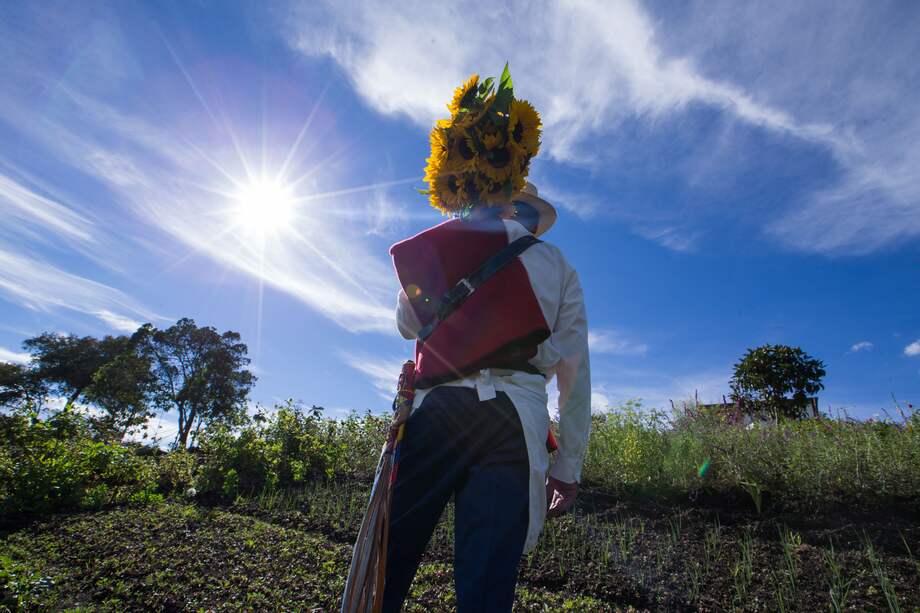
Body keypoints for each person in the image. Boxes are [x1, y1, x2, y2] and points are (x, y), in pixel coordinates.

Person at [382, 67, 591, 613]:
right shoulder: (555, 265)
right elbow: (574, 373)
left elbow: (408, 322)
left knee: (391, 561)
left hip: (438, 410)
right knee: (486, 587)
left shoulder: (444, 247)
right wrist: (567, 467)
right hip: (513, 423)